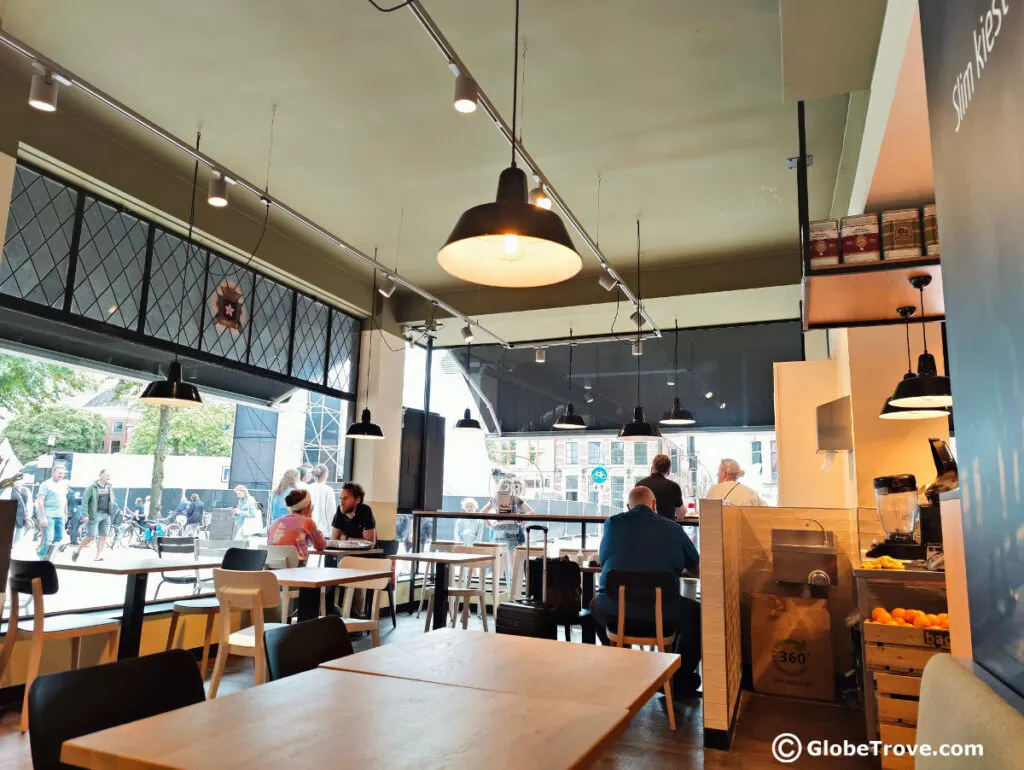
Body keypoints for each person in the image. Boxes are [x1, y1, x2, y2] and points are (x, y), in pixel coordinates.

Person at [591, 485, 702, 697]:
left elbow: (605, 560)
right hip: (663, 616)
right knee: (697, 615)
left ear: (627, 506)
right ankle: (678, 680)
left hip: (617, 613)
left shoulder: (613, 524)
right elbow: (696, 568)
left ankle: (622, 664)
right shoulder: (674, 529)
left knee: (594, 605)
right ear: (654, 505)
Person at [482, 485, 535, 578]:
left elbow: (483, 513)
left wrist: (490, 525)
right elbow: (532, 513)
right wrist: (522, 523)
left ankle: (498, 586)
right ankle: (517, 585)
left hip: (499, 530)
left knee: (500, 557)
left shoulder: (496, 499)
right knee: (513, 558)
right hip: (513, 529)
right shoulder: (516, 499)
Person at [267, 488, 327, 564]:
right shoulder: (307, 522)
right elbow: (320, 546)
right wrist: (310, 521)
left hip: (272, 569)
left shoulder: (275, 522)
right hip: (296, 570)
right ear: (308, 507)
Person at [73, 469, 114, 562]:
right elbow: (85, 501)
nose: (109, 477)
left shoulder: (109, 487)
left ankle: (98, 556)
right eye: (107, 475)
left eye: (109, 475)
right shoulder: (91, 487)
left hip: (106, 514)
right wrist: (85, 515)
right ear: (100, 476)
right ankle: (78, 549)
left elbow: (111, 499)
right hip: (95, 514)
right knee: (91, 536)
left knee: (104, 535)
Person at [637, 454, 685, 521]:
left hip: (643, 530)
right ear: (668, 472)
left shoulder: (639, 485)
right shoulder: (674, 487)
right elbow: (681, 516)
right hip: (667, 530)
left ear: (652, 468)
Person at [35, 464, 69, 559]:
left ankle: (45, 552)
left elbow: (65, 500)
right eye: (59, 473)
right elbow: (40, 501)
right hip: (48, 514)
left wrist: (66, 514)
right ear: (53, 473)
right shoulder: (45, 484)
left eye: (63, 473)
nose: (61, 475)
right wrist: (43, 517)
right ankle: (43, 556)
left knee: (59, 537)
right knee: (49, 538)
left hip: (60, 515)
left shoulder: (64, 484)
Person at [307, 465, 338, 536]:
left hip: (309, 530)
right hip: (324, 532)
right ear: (326, 474)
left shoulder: (308, 488)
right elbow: (331, 512)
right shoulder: (328, 490)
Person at [7, 478, 31, 546]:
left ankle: (12, 546)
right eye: (15, 480)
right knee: (10, 533)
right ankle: (8, 547)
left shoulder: (26, 490)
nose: (17, 482)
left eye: (18, 480)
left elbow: (29, 503)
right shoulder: (8, 490)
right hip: (10, 515)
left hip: (22, 515)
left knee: (19, 535)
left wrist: (28, 514)